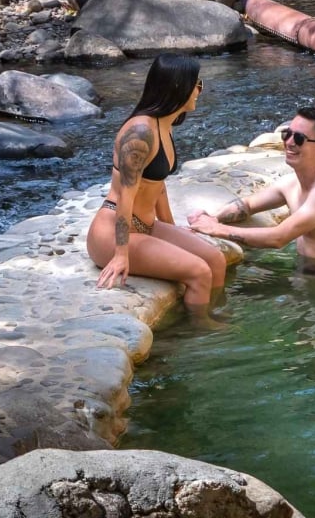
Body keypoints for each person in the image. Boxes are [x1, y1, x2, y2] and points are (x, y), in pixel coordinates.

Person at [87, 55, 226, 324]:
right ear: (178, 87)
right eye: (196, 84)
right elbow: (126, 195)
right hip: (112, 234)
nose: (200, 90)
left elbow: (157, 184)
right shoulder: (140, 133)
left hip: (145, 226)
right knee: (199, 271)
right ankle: (202, 330)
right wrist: (121, 254)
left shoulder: (164, 124)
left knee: (216, 259)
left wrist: (171, 229)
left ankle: (216, 312)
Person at [188, 106, 315, 286]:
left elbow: (278, 238)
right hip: (306, 268)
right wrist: (214, 217)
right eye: (287, 134)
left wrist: (216, 229)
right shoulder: (290, 184)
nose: (289, 142)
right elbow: (248, 205)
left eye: (299, 138)